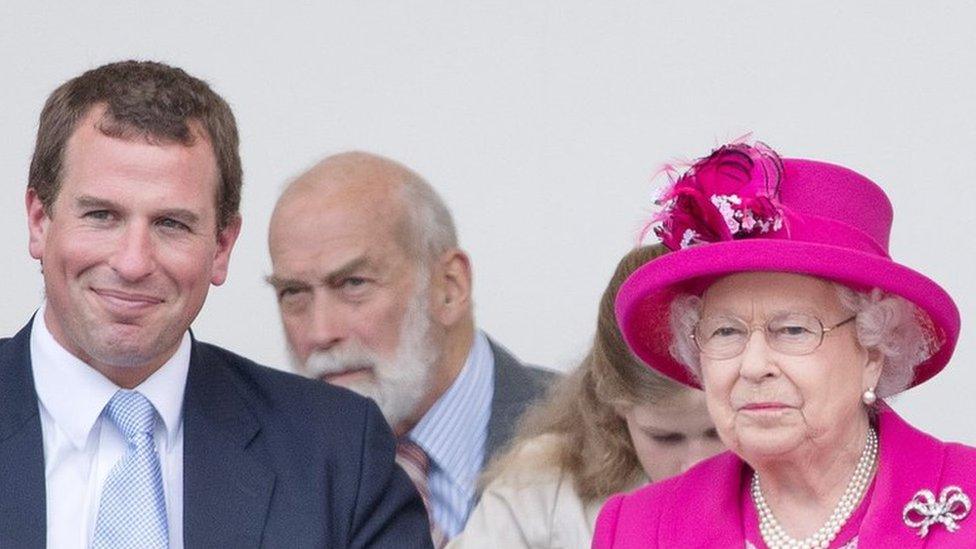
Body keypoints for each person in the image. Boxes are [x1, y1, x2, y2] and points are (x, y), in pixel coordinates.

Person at [0, 60, 431, 549]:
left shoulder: (336, 452)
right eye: (101, 216)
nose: (134, 262)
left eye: (171, 225)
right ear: (39, 221)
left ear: (222, 246)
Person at [593, 141, 976, 548]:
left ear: (873, 352)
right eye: (726, 332)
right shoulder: (636, 528)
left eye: (793, 330)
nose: (754, 365)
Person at [267, 151, 556, 545]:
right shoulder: (264, 469)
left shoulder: (594, 434)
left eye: (353, 284)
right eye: (294, 293)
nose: (320, 332)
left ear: (449, 287)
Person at [448, 244, 724, 548]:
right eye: (665, 438)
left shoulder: (782, 492)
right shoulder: (542, 486)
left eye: (718, 431)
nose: (695, 465)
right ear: (614, 403)